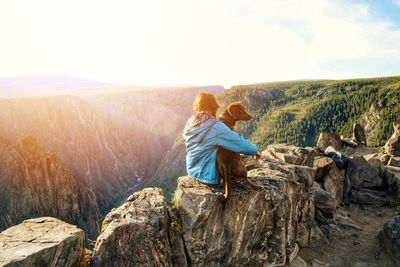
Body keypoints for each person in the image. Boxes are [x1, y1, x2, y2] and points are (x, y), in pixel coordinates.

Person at [183, 92, 261, 185]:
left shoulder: (191, 122)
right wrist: (255, 150)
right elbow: (240, 143)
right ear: (215, 107)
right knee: (230, 151)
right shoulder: (215, 127)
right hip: (207, 175)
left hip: (192, 170)